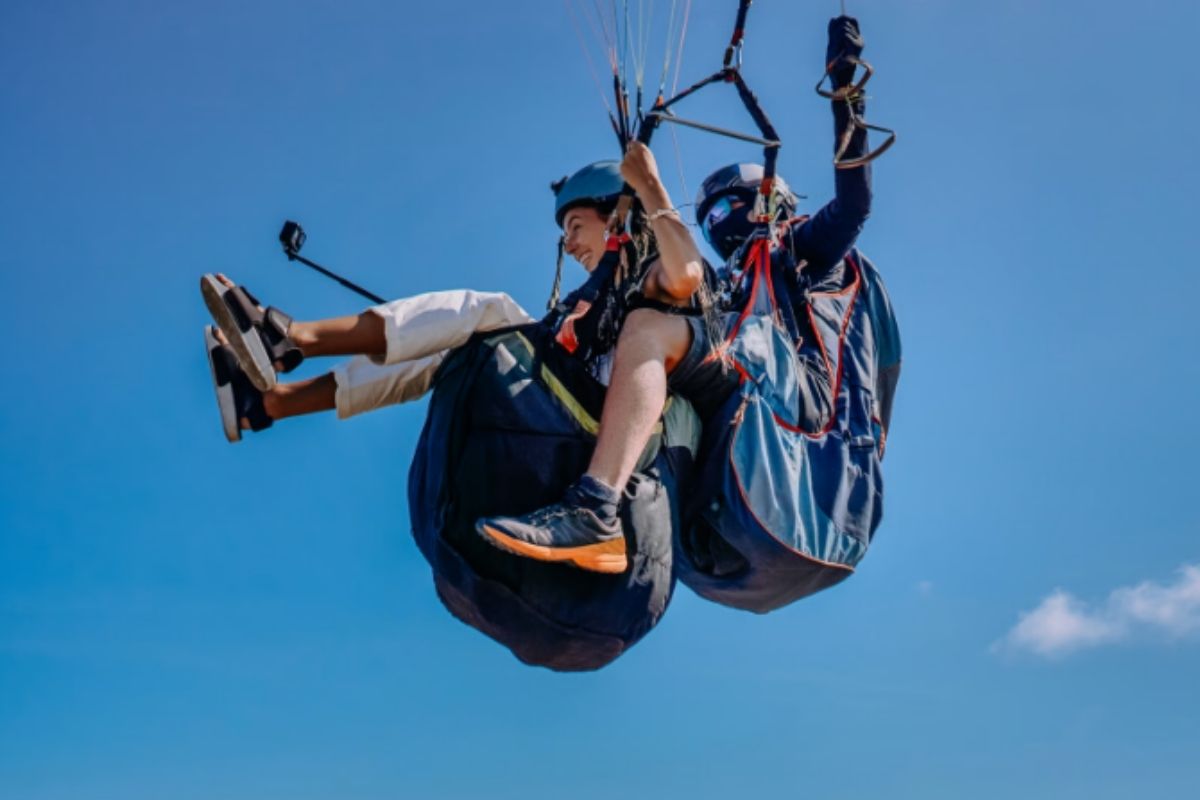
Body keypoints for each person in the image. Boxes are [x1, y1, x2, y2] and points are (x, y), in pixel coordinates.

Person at [474, 14, 875, 571]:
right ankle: (624, 510)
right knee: (654, 364)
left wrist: (846, 91)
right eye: (709, 217)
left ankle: (595, 507)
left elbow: (855, 206)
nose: (718, 222)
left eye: (729, 207)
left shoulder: (797, 252)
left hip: (796, 392)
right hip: (751, 388)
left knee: (651, 330)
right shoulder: (734, 281)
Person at [202, 144, 706, 574]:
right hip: (572, 421)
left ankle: (290, 339)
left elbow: (687, 273)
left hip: (618, 445)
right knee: (457, 347)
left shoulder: (649, 288)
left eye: (576, 225)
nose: (569, 244)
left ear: (617, 215)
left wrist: (650, 187)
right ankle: (268, 404)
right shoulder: (592, 304)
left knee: (491, 312)